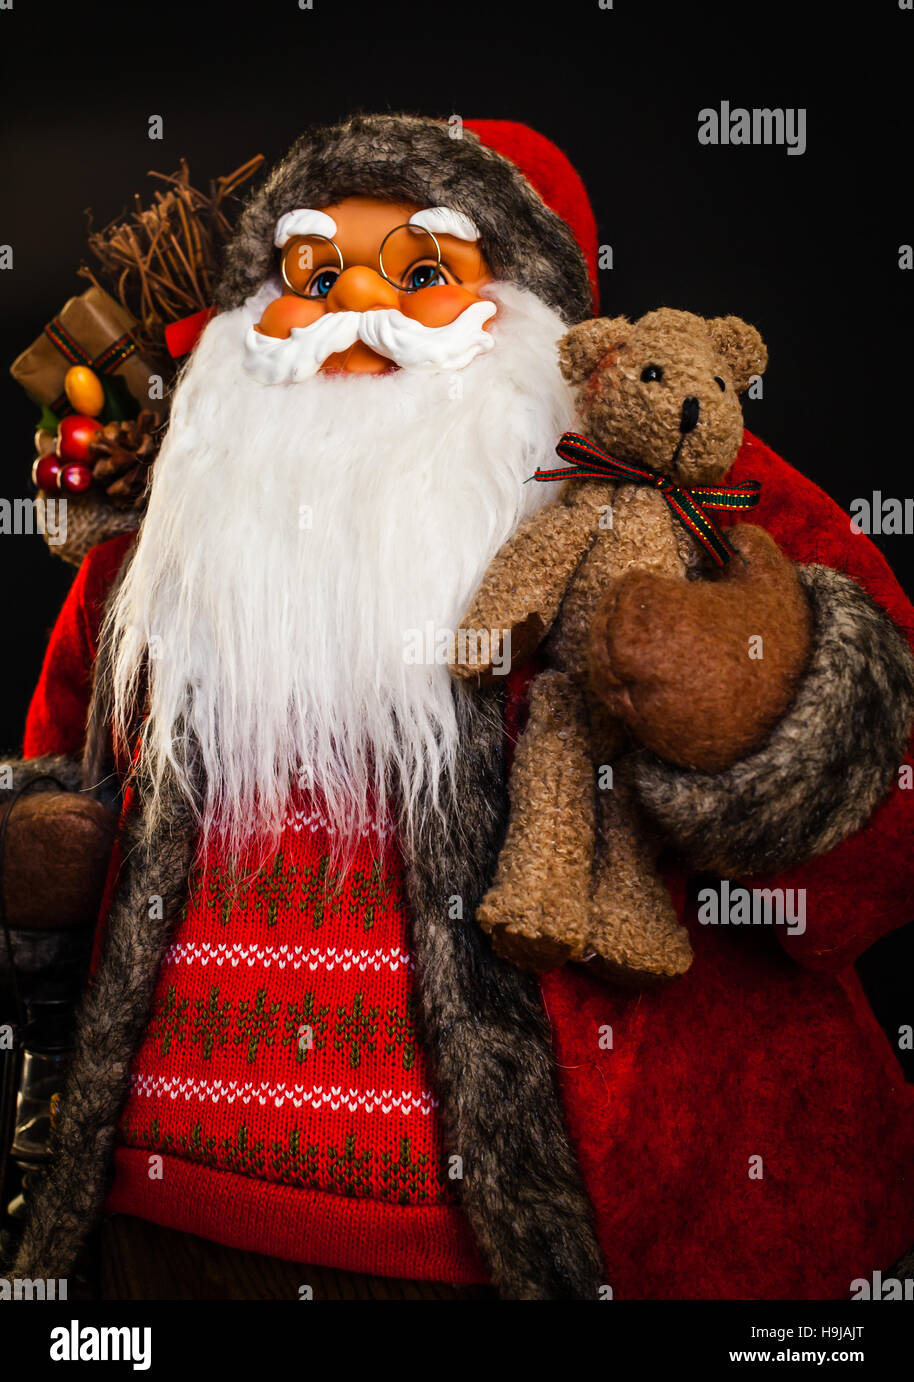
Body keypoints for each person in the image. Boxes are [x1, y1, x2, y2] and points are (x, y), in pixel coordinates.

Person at [5, 114, 914, 1300]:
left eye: (423, 272)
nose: (353, 307)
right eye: (310, 273)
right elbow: (59, 767)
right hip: (164, 1246)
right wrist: (49, 861)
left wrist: (760, 708)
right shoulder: (163, 553)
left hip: (542, 1250)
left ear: (540, 327)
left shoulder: (675, 491)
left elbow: (887, 823)